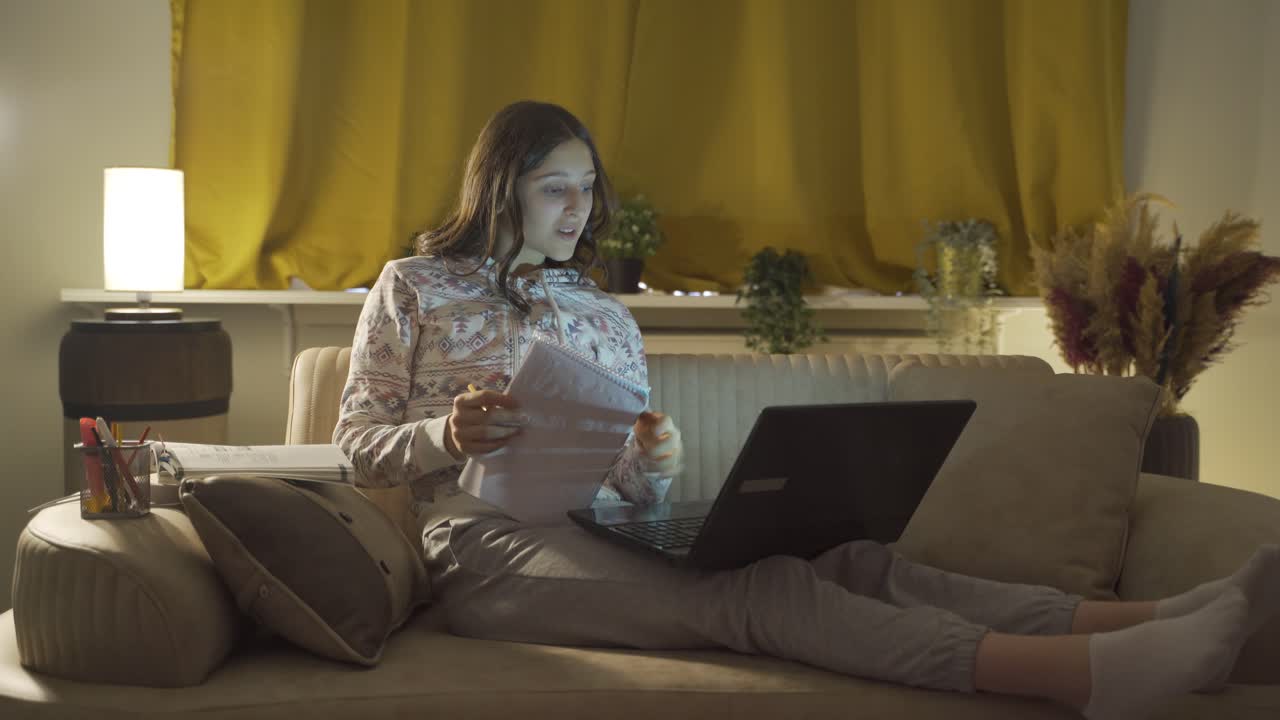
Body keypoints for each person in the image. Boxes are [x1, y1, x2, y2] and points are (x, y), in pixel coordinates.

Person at [334, 100, 1279, 720]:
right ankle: (1090, 680)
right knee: (762, 595)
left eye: (587, 188)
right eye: (556, 188)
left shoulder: (602, 312)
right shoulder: (415, 286)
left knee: (850, 559)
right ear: (503, 188)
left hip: (601, 525)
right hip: (480, 542)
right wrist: (443, 434)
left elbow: (626, 474)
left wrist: (651, 458)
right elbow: (352, 446)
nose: (579, 208)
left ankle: (1146, 618)